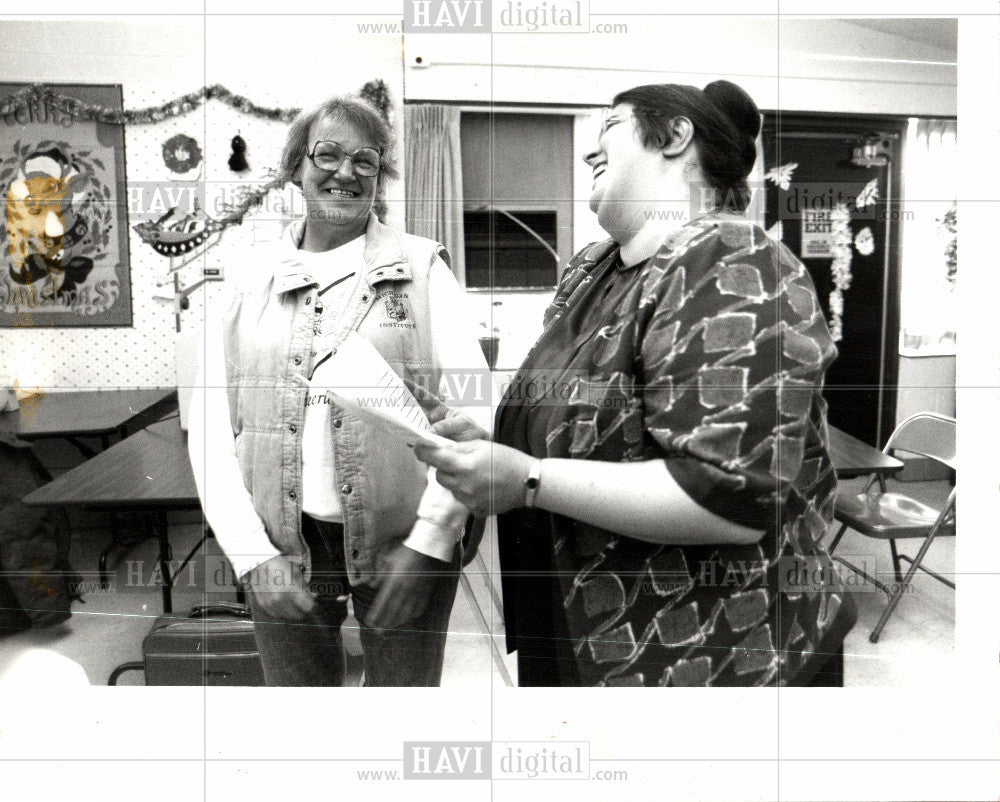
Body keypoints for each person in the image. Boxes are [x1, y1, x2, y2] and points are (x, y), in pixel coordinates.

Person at [416, 81, 857, 687]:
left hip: (716, 659)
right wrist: (501, 436)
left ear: (676, 136)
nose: (589, 153)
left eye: (610, 127)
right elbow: (603, 418)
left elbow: (725, 498)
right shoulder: (597, 268)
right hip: (578, 628)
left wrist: (527, 478)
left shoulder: (730, 257)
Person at [187, 93, 491, 686]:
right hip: (287, 539)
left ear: (380, 178)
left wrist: (429, 543)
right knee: (303, 719)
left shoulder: (423, 270)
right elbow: (211, 430)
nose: (346, 173)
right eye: (327, 155)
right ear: (297, 167)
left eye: (367, 161)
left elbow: (472, 414)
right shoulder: (249, 279)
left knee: (405, 711)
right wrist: (253, 556)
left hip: (402, 541)